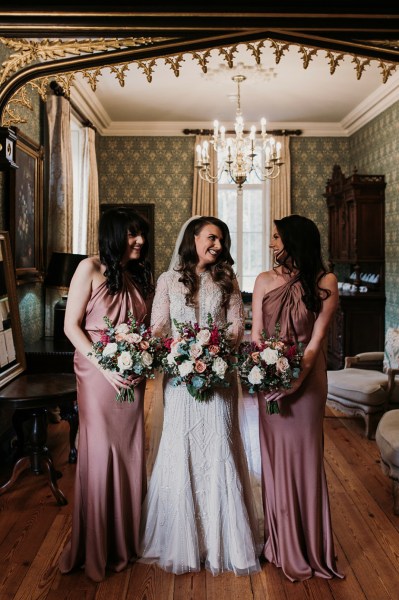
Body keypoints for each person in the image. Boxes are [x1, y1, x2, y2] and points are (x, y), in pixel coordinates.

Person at [139, 215, 261, 576]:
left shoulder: (227, 279)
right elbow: (159, 325)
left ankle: (223, 539)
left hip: (220, 379)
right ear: (192, 238)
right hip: (179, 381)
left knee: (220, 444)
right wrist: (171, 347)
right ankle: (180, 538)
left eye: (222, 240)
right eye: (212, 238)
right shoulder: (167, 281)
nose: (219, 246)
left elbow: (238, 324)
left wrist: (214, 350)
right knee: (182, 446)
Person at [59, 207, 154, 582]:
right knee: (101, 453)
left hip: (131, 373)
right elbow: (71, 327)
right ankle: (97, 546)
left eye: (142, 234)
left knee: (129, 451)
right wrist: (106, 365)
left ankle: (125, 542)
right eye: (132, 234)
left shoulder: (136, 275)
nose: (140, 241)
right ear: (114, 234)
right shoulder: (89, 268)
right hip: (98, 372)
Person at [251, 214, 344, 582]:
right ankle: (279, 542)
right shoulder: (262, 280)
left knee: (306, 459)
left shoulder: (325, 281)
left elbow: (317, 340)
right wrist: (266, 371)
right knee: (275, 462)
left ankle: (310, 548)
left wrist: (294, 382)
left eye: (277, 237)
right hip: (269, 380)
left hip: (307, 382)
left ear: (296, 241)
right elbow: (257, 333)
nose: (272, 244)